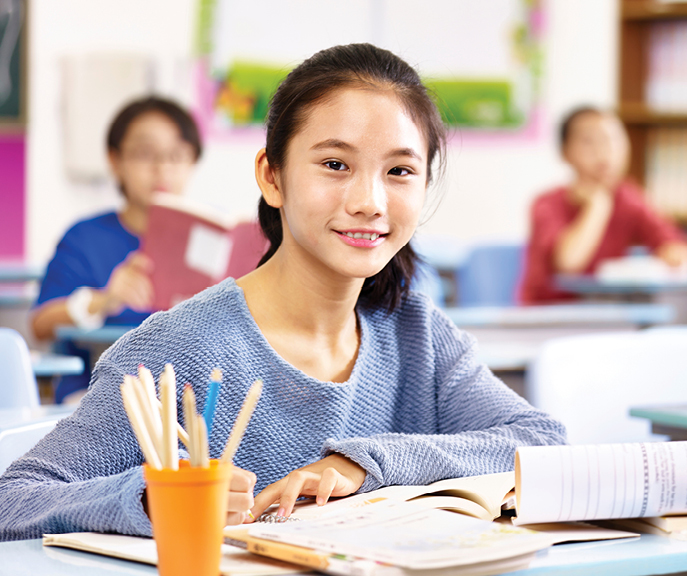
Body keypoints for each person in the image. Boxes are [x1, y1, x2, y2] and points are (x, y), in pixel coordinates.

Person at [0, 43, 566, 541]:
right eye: (335, 164)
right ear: (272, 176)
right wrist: (149, 496)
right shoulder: (177, 350)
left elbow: (543, 440)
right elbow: (14, 498)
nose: (370, 201)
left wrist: (365, 464)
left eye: (399, 172)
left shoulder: (418, 332)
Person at [30, 97, 203, 404]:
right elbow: (40, 324)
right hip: (95, 395)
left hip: (190, 398)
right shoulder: (84, 237)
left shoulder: (211, 240)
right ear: (115, 160)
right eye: (145, 153)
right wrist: (103, 301)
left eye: (176, 155)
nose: (162, 168)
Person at [519, 106, 687, 303]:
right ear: (565, 152)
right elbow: (569, 263)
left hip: (607, 313)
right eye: (588, 142)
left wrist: (673, 256)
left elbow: (676, 247)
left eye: (612, 140)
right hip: (548, 315)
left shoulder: (629, 198)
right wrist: (597, 206)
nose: (603, 151)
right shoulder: (546, 204)